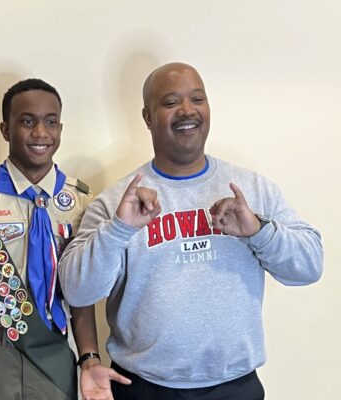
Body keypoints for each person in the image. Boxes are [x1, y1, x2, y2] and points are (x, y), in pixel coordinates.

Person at [58, 63, 324, 400]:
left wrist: (259, 231)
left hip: (235, 387)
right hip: (143, 388)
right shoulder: (118, 201)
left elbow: (310, 266)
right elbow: (77, 290)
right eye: (170, 102)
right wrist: (119, 230)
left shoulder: (251, 189)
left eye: (197, 99)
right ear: (147, 117)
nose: (187, 110)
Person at [0, 78, 130, 400]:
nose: (41, 132)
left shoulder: (81, 202)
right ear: (5, 129)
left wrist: (89, 358)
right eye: (27, 121)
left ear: (60, 128)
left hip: (52, 352)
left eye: (51, 122)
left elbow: (81, 297)